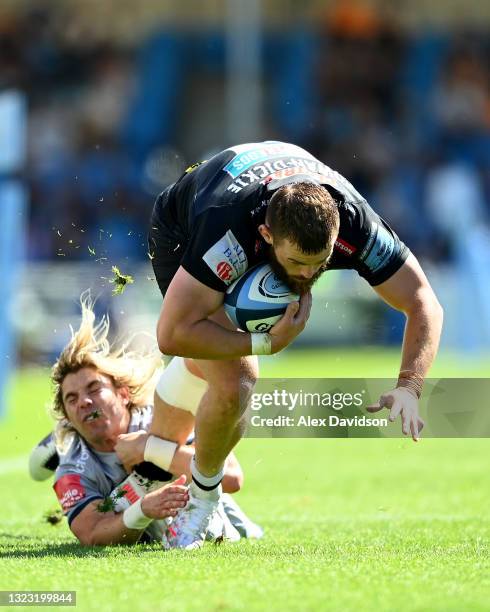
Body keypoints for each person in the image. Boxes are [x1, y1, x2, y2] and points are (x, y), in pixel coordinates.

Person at [147, 140, 444, 549]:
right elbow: (172, 334)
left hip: (275, 187)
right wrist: (266, 343)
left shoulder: (355, 224)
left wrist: (410, 384)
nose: (307, 276)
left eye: (319, 264)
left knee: (226, 376)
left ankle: (191, 471)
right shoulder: (226, 230)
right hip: (184, 223)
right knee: (237, 381)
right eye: (297, 264)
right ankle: (202, 501)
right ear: (268, 235)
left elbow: (423, 301)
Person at [37, 294, 261, 547]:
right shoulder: (73, 470)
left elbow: (232, 477)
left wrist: (150, 449)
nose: (85, 402)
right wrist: (142, 511)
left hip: (232, 536)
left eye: (94, 388)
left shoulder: (165, 419)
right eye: (72, 399)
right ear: (67, 417)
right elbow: (91, 533)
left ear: (122, 394)